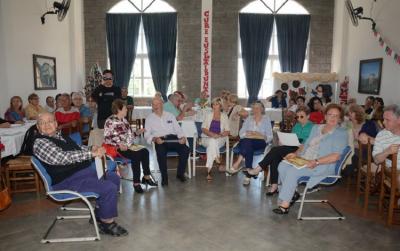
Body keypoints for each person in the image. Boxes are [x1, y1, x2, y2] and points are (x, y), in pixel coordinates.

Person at [32, 112, 128, 236]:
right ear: (38, 127)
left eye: (50, 121)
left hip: (81, 174)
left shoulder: (61, 136)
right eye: (42, 123)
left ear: (56, 124)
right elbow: (62, 158)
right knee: (108, 187)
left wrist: (92, 148)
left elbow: (78, 148)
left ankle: (99, 215)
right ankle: (107, 223)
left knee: (113, 177)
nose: (46, 125)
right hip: (66, 181)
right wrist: (91, 154)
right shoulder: (40, 142)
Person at [273, 104, 348, 214]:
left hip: (321, 164)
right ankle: (292, 193)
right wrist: (295, 153)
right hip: (305, 159)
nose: (332, 118)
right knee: (282, 165)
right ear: (325, 116)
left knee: (292, 171)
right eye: (330, 114)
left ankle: (285, 204)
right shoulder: (316, 128)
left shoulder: (340, 133)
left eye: (336, 116)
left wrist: (316, 161)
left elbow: (336, 156)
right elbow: (306, 145)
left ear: (340, 119)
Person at [247, 106, 314, 195]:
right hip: (292, 146)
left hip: (303, 149)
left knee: (275, 151)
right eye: (297, 117)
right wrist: (284, 141)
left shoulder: (313, 127)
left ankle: (259, 169)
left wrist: (303, 145)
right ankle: (274, 185)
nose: (299, 119)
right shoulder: (297, 125)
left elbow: (313, 143)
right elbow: (292, 137)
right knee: (276, 155)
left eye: (301, 116)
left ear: (308, 116)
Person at [104, 99, 156, 194]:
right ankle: (136, 183)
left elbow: (129, 135)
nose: (127, 110)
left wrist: (137, 132)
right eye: (125, 108)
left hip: (128, 146)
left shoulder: (124, 121)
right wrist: (119, 144)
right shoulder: (110, 121)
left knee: (145, 151)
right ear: (119, 110)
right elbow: (108, 138)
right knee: (136, 155)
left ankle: (146, 177)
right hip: (116, 148)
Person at [144, 98, 190, 186]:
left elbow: (178, 129)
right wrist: (155, 139)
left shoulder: (170, 115)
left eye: (157, 104)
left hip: (173, 139)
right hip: (160, 140)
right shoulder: (149, 118)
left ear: (162, 104)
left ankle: (180, 174)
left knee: (185, 149)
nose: (155, 106)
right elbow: (146, 135)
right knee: (160, 152)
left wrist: (183, 137)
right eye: (153, 105)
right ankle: (164, 177)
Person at [229, 101, 273, 186]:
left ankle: (237, 163)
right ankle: (249, 173)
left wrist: (258, 135)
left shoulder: (266, 119)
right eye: (253, 108)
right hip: (247, 141)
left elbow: (270, 136)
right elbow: (241, 133)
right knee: (248, 143)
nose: (255, 110)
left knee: (246, 143)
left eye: (257, 108)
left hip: (260, 142)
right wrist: (249, 134)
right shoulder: (249, 118)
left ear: (262, 109)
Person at [201, 98, 230, 180]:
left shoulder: (224, 116)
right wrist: (211, 134)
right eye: (213, 104)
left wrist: (220, 134)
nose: (214, 106)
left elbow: (227, 131)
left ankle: (209, 171)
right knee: (212, 141)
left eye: (216, 104)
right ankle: (217, 158)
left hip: (220, 138)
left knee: (212, 143)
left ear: (220, 106)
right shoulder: (208, 115)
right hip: (206, 137)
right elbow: (203, 128)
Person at [372, 104, 400, 185]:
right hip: (392, 171)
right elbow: (376, 160)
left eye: (387, 120)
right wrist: (387, 151)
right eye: (383, 119)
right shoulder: (382, 135)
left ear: (399, 120)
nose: (383, 122)